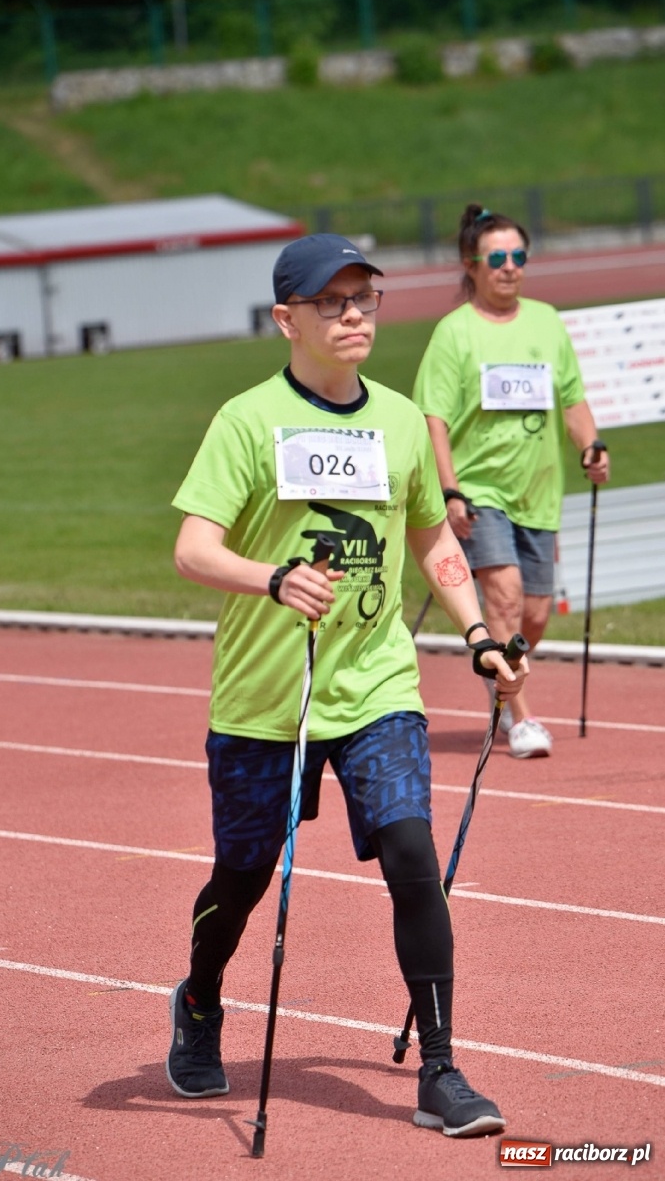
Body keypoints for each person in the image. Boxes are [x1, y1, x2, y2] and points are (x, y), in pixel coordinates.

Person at [165, 232, 529, 1138]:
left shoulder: (401, 420)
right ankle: (201, 997)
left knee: (412, 856)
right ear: (287, 320)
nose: (355, 314)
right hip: (264, 699)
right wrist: (272, 576)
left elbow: (430, 541)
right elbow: (192, 548)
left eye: (364, 296)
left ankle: (441, 1071)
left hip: (375, 687)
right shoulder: (247, 421)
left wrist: (478, 633)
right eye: (332, 302)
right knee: (242, 879)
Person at [412, 204, 610, 760]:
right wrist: (449, 490)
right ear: (470, 264)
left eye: (518, 256)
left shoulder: (546, 321)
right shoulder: (454, 333)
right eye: (496, 258)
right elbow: (434, 418)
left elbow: (571, 398)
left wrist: (590, 445)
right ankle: (520, 718)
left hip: (539, 493)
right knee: (503, 594)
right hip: (481, 491)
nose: (509, 267)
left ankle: (499, 672)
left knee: (536, 614)